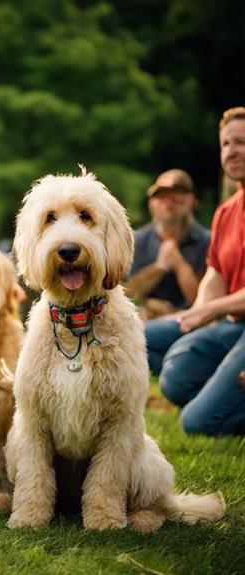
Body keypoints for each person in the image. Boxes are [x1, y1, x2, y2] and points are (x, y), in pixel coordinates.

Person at [145, 106, 245, 435]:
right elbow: (216, 275)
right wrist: (197, 316)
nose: (233, 150)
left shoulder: (200, 233)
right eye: (227, 143)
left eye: (242, 142)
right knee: (163, 365)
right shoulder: (227, 212)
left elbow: (213, 300)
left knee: (197, 421)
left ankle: (220, 396)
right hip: (232, 325)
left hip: (233, 321)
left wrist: (208, 311)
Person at [126, 169, 210, 319]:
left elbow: (204, 301)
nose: (169, 202)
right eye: (161, 196)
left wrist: (179, 264)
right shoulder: (136, 240)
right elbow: (125, 294)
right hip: (145, 319)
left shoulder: (208, 241)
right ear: (151, 203)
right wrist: (160, 267)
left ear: (192, 201)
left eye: (177, 195)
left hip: (191, 321)